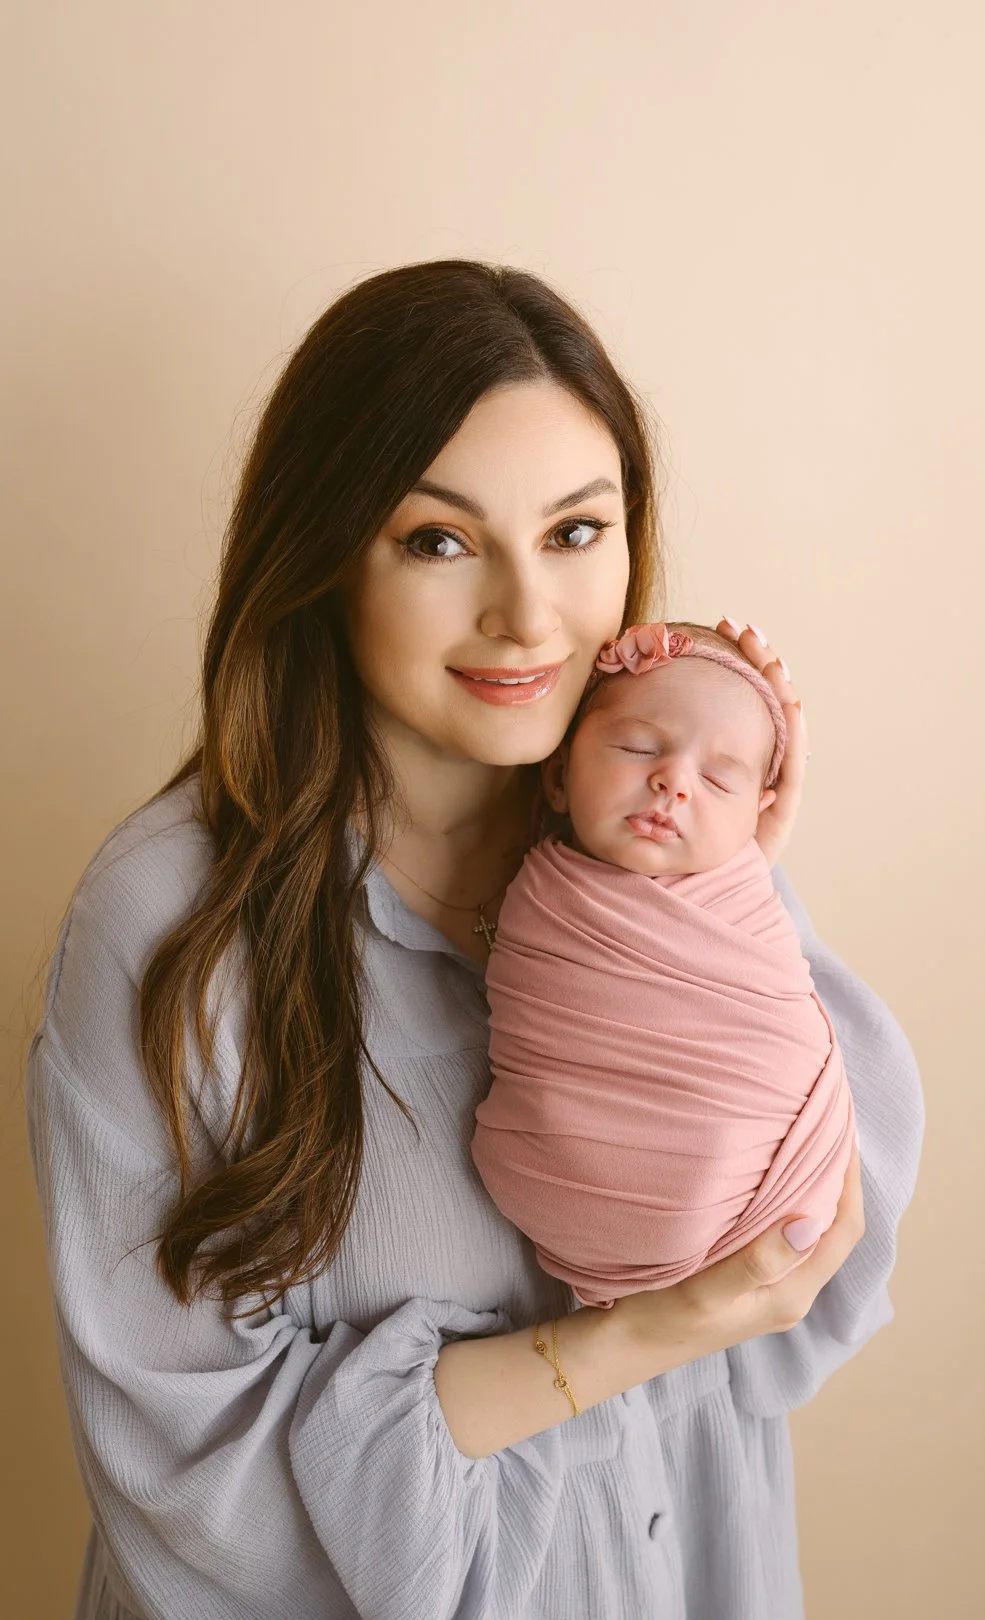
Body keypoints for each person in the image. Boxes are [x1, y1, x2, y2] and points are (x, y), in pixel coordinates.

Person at [24, 259, 925, 1620]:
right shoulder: (167, 926)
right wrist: (633, 1338)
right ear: (327, 555)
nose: (528, 615)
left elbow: (812, 1256)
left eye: (576, 532)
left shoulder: (662, 835)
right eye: (440, 541)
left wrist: (730, 903)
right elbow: (194, 1485)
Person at [470, 618, 856, 1310]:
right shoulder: (545, 895)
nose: (674, 783)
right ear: (558, 776)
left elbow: (776, 1035)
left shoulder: (750, 899)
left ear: (756, 815)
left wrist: (748, 865)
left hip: (746, 1183)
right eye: (638, 748)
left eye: (718, 779)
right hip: (562, 1180)